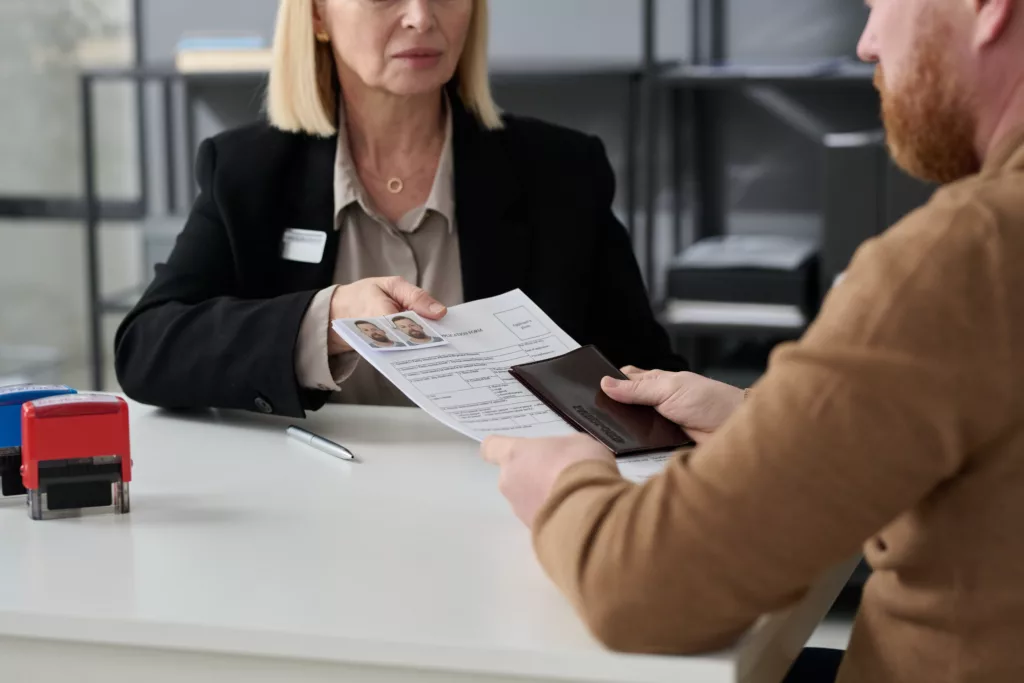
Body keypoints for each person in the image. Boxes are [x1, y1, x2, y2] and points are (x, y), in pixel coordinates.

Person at [482, 1, 1024, 682]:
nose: (866, 43)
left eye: (882, 4)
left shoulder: (968, 252)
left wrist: (564, 482)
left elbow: (647, 588)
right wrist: (759, 419)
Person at [113, 0, 686, 417]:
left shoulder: (561, 170)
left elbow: (645, 371)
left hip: (510, 506)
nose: (421, 15)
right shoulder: (247, 170)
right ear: (316, 15)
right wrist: (328, 319)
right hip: (308, 513)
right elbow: (148, 348)